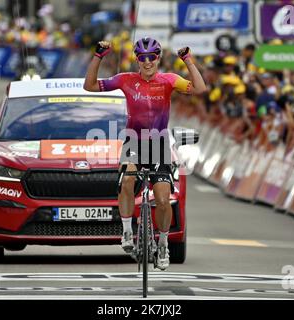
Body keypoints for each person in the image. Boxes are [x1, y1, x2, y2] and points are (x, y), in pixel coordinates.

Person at [84, 37, 206, 270]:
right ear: (137, 59)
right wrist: (98, 56)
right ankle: (128, 231)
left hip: (159, 144)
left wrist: (188, 60)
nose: (147, 62)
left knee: (162, 199)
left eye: (152, 57)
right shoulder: (126, 79)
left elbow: (200, 89)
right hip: (133, 143)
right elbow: (89, 86)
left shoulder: (169, 80)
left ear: (158, 58)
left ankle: (162, 244)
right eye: (142, 58)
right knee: (128, 180)